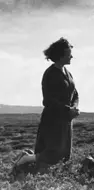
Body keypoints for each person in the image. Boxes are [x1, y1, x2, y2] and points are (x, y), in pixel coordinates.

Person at [11, 38, 80, 175]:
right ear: (60, 56)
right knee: (53, 151)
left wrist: (75, 107)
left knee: (64, 151)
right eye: (69, 54)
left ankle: (54, 175)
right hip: (54, 118)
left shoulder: (68, 73)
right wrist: (68, 109)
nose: (71, 56)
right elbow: (48, 100)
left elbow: (75, 93)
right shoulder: (50, 74)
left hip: (66, 118)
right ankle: (26, 159)